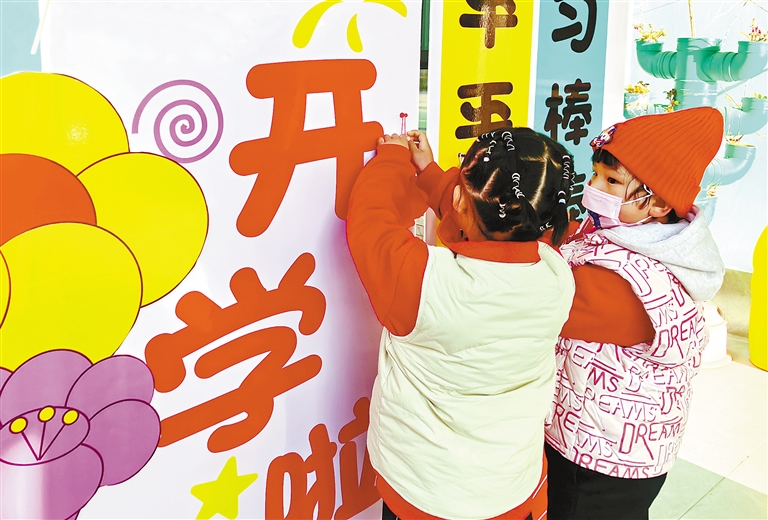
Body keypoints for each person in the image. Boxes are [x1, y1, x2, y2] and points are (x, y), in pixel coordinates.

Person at [346, 127, 576, 520]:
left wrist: (392, 160)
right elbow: (491, 226)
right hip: (509, 485)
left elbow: (370, 225)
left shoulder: (425, 284)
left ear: (458, 201)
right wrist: (431, 174)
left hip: (425, 490)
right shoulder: (556, 274)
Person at [544, 107, 726, 520]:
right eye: (595, 174)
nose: (593, 187)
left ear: (657, 201)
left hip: (595, 460)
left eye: (611, 181)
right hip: (616, 450)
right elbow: (564, 237)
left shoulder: (625, 286)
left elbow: (532, 298)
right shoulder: (632, 233)